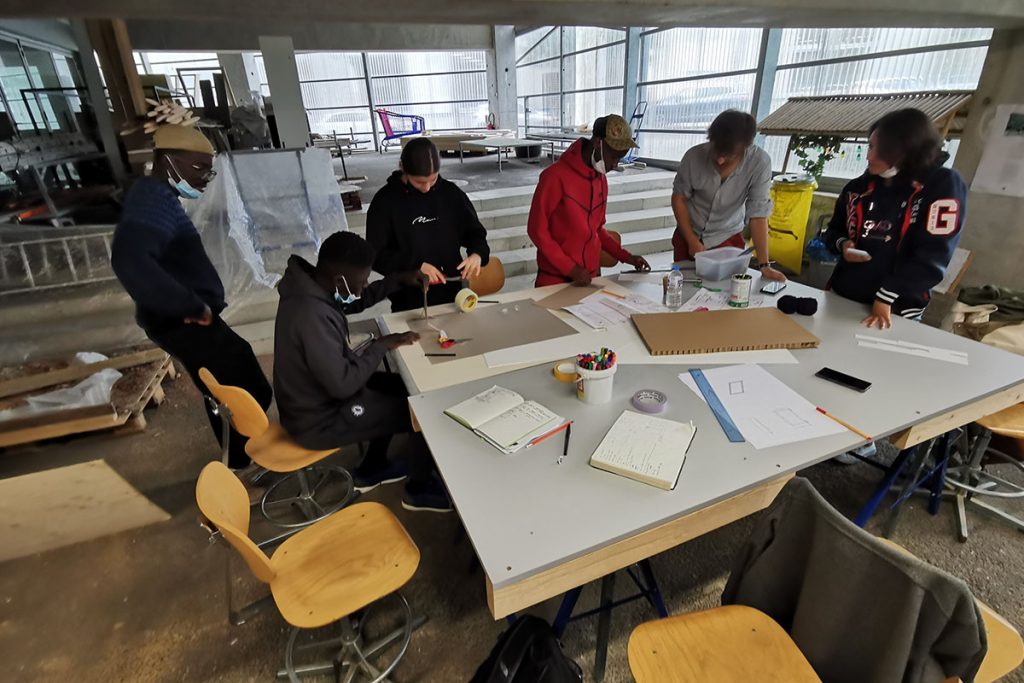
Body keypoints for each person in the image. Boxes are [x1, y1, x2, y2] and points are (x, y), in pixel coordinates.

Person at [112, 123, 272, 472]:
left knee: (230, 380)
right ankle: (245, 461)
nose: (204, 177)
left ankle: (242, 456)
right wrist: (186, 304)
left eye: (209, 169)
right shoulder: (151, 200)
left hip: (186, 319)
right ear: (167, 161)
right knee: (237, 387)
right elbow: (129, 259)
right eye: (198, 168)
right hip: (185, 321)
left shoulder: (159, 197)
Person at [273, 231, 451, 512]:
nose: (365, 284)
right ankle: (418, 490)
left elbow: (353, 301)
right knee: (420, 409)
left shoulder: (313, 287)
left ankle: (373, 468)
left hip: (319, 395)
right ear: (339, 279)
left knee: (401, 387)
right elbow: (343, 385)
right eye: (363, 279)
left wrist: (396, 279)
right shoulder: (310, 316)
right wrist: (380, 345)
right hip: (318, 419)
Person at [824, 108, 967, 329]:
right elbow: (833, 231)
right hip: (843, 295)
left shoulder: (940, 184)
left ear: (905, 149)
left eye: (878, 148)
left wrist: (884, 297)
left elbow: (933, 256)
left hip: (896, 308)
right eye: (870, 146)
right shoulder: (857, 187)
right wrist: (843, 245)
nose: (869, 156)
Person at [366, 138, 490, 312]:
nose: (426, 188)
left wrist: (477, 253)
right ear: (403, 167)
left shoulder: (450, 194)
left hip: (454, 292)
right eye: (419, 182)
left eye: (433, 180)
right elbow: (376, 256)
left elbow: (474, 232)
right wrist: (416, 265)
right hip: (409, 297)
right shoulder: (385, 202)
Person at [527, 114, 651, 287]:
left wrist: (627, 257)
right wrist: (570, 268)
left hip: (589, 277)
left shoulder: (600, 179)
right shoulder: (554, 177)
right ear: (598, 143)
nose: (615, 165)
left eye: (620, 159)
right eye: (614, 157)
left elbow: (597, 229)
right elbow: (537, 231)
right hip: (555, 280)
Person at [671, 110, 786, 282]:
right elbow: (679, 199)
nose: (720, 161)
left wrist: (764, 265)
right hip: (689, 232)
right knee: (684, 287)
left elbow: (758, 214)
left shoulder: (759, 163)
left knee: (725, 292)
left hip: (726, 238)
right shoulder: (693, 156)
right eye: (717, 152)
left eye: (729, 156)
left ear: (745, 148)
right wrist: (691, 240)